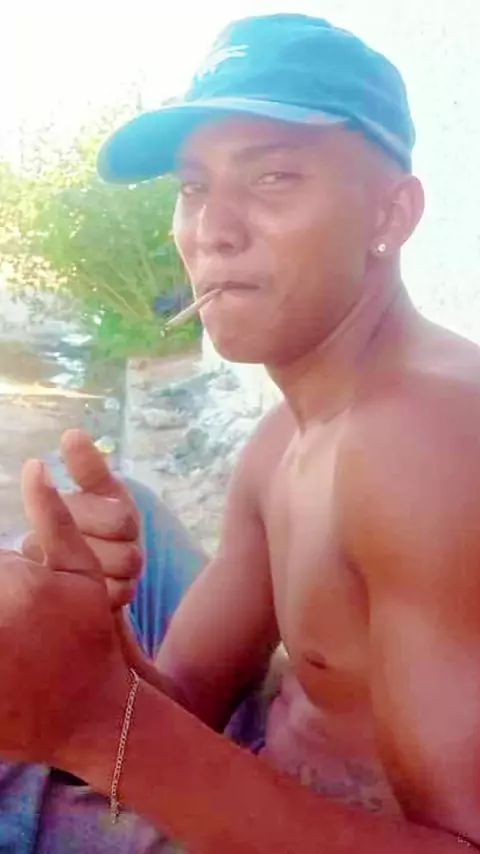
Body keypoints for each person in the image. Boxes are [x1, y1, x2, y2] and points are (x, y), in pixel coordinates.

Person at [0, 12, 479, 853]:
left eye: (272, 178)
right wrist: (94, 632)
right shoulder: (283, 438)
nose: (211, 230)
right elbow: (184, 701)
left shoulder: (420, 445)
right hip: (260, 768)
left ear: (392, 214)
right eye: (194, 188)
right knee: (84, 530)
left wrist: (88, 723)